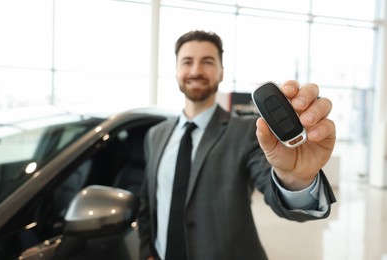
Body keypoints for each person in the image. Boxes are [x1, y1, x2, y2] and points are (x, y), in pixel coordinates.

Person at [138, 30, 336, 260]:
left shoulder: (248, 132)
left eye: (207, 61)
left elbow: (275, 194)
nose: (195, 70)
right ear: (176, 71)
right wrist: (147, 253)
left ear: (221, 73)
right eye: (187, 62)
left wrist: (298, 179)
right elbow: (147, 201)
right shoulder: (155, 135)